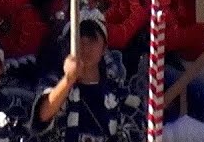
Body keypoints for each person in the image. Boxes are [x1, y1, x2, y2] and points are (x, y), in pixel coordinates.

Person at [32, 10, 143, 142]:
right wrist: (68, 80)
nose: (85, 47)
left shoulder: (120, 94)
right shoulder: (53, 84)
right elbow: (43, 116)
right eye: (78, 41)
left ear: (104, 47)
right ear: (68, 47)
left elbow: (135, 132)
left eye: (92, 40)